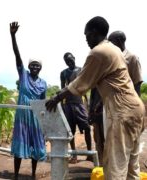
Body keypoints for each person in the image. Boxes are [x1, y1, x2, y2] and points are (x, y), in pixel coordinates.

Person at [46, 16, 145, 180]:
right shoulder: (114, 49)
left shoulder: (98, 52)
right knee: (131, 167)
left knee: (115, 168)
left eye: (87, 35)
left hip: (122, 112)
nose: (86, 40)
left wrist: (56, 98)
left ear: (95, 33)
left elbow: (80, 83)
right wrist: (99, 105)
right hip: (136, 110)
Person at [10, 22, 47, 179]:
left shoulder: (43, 83)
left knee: (35, 146)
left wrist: (43, 121)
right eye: (32, 65)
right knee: (19, 145)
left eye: (37, 66)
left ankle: (32, 174)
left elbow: (43, 103)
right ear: (28, 66)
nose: (34, 67)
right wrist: (13, 35)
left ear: (40, 68)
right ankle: (16, 175)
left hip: (35, 118)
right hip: (22, 117)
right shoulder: (23, 75)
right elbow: (17, 55)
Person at [60, 52, 92, 163]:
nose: (69, 62)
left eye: (70, 59)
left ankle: (89, 153)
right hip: (68, 104)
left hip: (79, 103)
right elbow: (62, 89)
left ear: (74, 58)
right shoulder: (63, 73)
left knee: (87, 127)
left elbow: (86, 86)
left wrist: (87, 104)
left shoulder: (82, 70)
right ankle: (74, 154)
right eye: (66, 61)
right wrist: (61, 106)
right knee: (70, 131)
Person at [108, 31, 143, 96]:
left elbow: (137, 82)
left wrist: (136, 103)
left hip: (127, 100)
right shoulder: (112, 58)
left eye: (110, 41)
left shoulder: (132, 58)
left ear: (118, 41)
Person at [88, 87, 104, 166]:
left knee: (110, 142)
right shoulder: (95, 80)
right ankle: (101, 166)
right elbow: (92, 98)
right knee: (98, 141)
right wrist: (90, 113)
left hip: (109, 114)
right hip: (96, 116)